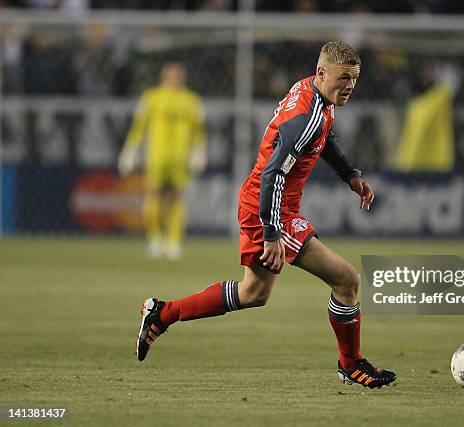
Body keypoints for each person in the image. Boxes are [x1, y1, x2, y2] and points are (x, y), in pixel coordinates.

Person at [135, 42, 397, 389]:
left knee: (254, 293)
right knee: (347, 280)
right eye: (344, 78)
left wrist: (349, 174)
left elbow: (323, 137)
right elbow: (275, 173)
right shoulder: (306, 116)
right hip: (270, 208)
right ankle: (350, 364)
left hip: (264, 204)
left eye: (354, 79)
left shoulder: (313, 93)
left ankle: (162, 313)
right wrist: (272, 232)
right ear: (322, 73)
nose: (350, 86)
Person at [118, 61, 207, 259]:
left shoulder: (192, 101)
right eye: (171, 74)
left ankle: (174, 241)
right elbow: (139, 126)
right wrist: (130, 149)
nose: (175, 77)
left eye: (178, 74)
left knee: (177, 197)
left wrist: (199, 151)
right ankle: (155, 238)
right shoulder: (151, 98)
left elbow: (198, 131)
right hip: (157, 156)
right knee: (153, 196)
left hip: (180, 158)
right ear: (163, 76)